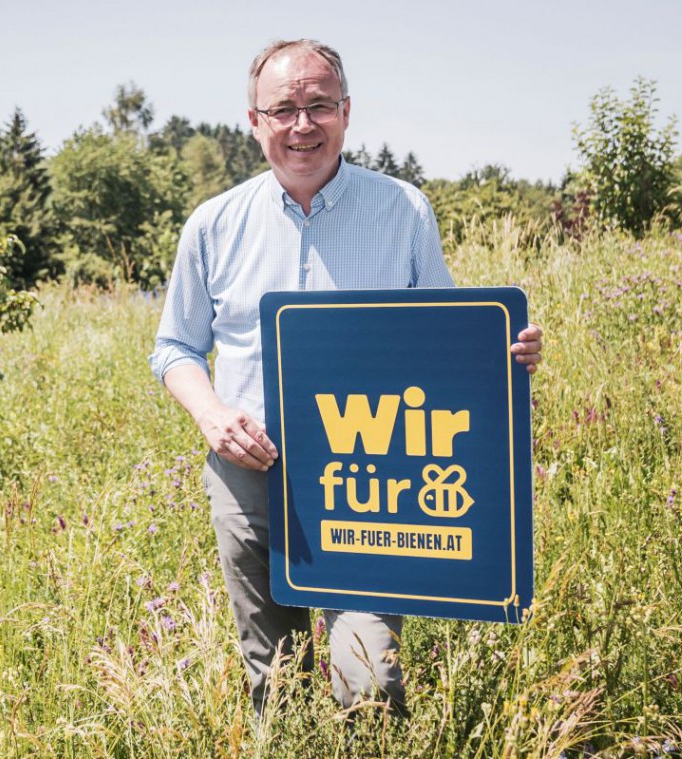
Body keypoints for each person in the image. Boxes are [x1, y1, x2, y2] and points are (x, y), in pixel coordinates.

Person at [148, 39, 543, 716]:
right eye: (284, 108)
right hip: (251, 475)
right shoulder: (212, 225)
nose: (303, 124)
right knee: (274, 677)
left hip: (374, 482)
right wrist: (212, 416)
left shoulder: (404, 210)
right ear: (255, 121)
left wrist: (501, 353)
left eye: (319, 105)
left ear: (346, 112)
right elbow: (175, 347)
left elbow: (441, 339)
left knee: (369, 676)